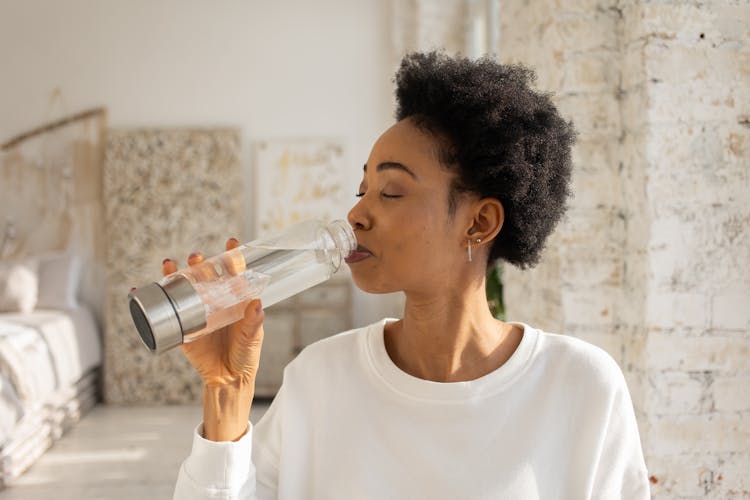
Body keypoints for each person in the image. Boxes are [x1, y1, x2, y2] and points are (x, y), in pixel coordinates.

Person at [171, 51, 649, 499]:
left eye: (392, 192)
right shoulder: (319, 380)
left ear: (479, 223)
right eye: (363, 190)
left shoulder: (581, 388)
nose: (356, 215)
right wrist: (226, 396)